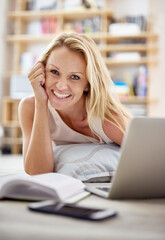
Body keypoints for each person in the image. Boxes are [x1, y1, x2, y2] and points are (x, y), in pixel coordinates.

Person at [18, 32, 131, 175]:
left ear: (88, 84)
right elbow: (37, 172)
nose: (61, 86)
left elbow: (149, 157)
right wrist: (41, 103)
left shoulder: (109, 120)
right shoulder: (30, 107)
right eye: (54, 71)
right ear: (41, 71)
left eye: (75, 77)